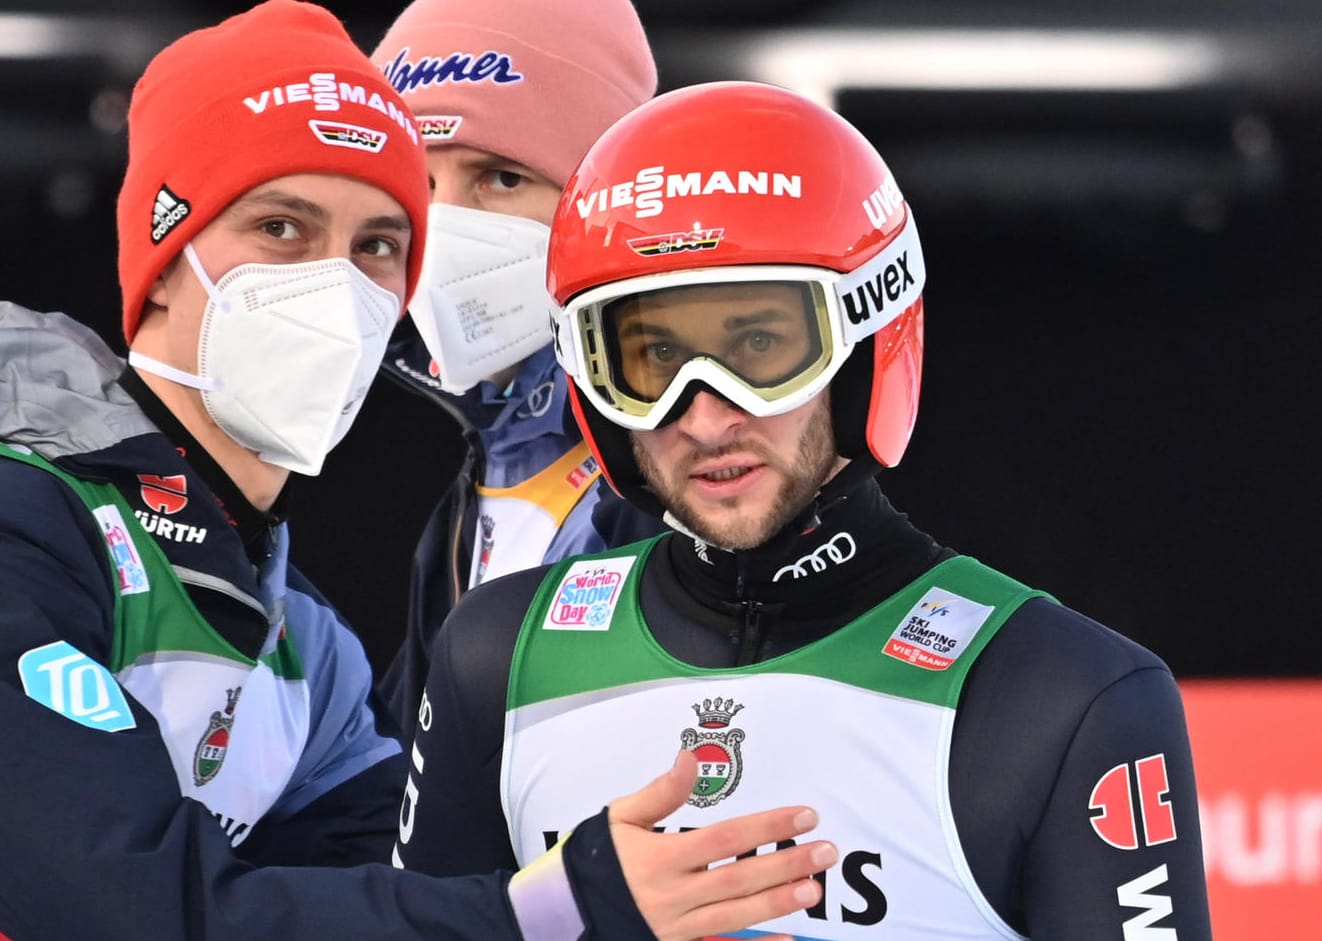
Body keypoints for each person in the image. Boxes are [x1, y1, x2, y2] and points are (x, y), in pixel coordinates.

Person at [0, 6, 840, 939]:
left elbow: (408, 885)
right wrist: (555, 904)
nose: (339, 282)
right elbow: (130, 909)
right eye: (280, 228)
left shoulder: (295, 649)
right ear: (163, 265)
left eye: (379, 244)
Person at [393, 81, 1214, 938]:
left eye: (759, 346)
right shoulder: (496, 657)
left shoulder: (1065, 696)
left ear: (863, 343)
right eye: (653, 356)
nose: (705, 416)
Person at [367, 0, 668, 744]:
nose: (444, 231)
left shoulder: (698, 476)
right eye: (418, 185)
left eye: (501, 178)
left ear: (601, 202)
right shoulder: (475, 490)